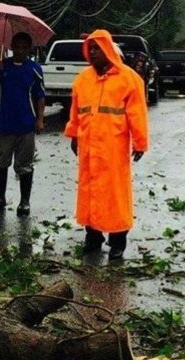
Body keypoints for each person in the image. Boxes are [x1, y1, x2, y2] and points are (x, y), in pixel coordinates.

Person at [64, 29, 149, 260]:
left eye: (97, 48)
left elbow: (137, 114)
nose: (92, 53)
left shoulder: (129, 78)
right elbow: (76, 111)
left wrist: (140, 142)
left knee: (114, 194)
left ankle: (118, 241)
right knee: (90, 190)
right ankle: (93, 237)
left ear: (108, 50)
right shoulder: (83, 79)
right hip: (89, 147)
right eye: (90, 48)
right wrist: (74, 135)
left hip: (113, 148)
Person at [0, 32, 45, 216]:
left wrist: (40, 119)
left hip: (26, 125)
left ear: (28, 49)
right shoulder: (3, 66)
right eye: (16, 46)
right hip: (5, 124)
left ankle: (24, 201)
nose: (19, 50)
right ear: (11, 47)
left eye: (23, 47)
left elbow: (40, 96)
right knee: (0, 162)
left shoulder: (34, 69)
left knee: (25, 165)